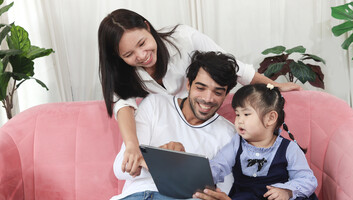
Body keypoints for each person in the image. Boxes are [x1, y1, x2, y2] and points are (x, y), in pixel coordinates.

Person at [21, 51, 240, 200]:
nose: (208, 98)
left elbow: (222, 194)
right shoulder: (156, 104)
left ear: (226, 93)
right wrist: (160, 157)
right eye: (201, 87)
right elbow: (120, 168)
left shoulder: (229, 133)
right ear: (189, 84)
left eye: (218, 92)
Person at [97, 8, 302, 177]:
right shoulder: (127, 78)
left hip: (198, 123)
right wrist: (133, 146)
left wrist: (272, 86)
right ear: (118, 56)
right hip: (167, 123)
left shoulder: (183, 38)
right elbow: (124, 104)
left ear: (147, 26)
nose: (142, 56)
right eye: (129, 54)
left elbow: (233, 66)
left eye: (142, 43)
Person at [209, 83, 326, 200]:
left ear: (270, 118)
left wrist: (288, 191)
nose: (239, 121)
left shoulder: (288, 148)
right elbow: (218, 166)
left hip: (284, 199)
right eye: (237, 114)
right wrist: (202, 178)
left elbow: (307, 179)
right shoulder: (236, 144)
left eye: (246, 114)